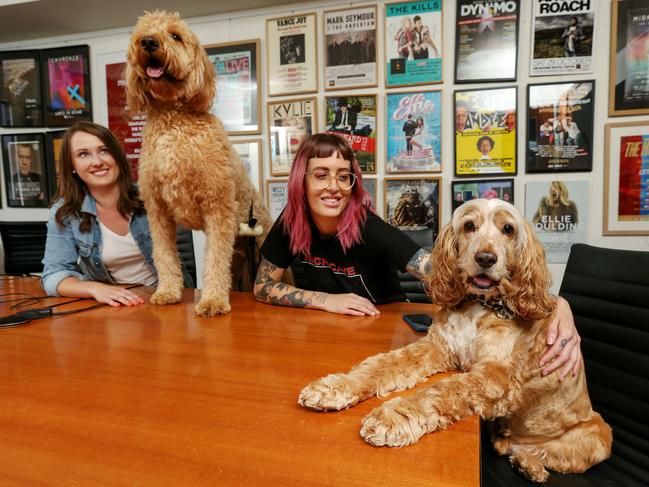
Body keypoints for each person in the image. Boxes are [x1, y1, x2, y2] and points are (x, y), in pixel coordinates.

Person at [254, 133, 583, 378]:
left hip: (380, 334)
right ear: (302, 179)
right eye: (321, 174)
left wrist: (558, 304)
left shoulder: (368, 226)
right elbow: (263, 286)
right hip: (326, 335)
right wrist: (325, 300)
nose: (334, 186)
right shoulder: (290, 222)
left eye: (343, 176)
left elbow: (441, 271)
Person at [41, 121, 191, 307]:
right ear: (72, 165)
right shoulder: (66, 212)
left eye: (104, 150)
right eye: (83, 154)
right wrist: (95, 289)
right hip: (114, 306)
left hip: (167, 300)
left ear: (117, 156)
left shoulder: (152, 196)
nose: (97, 162)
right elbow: (53, 275)